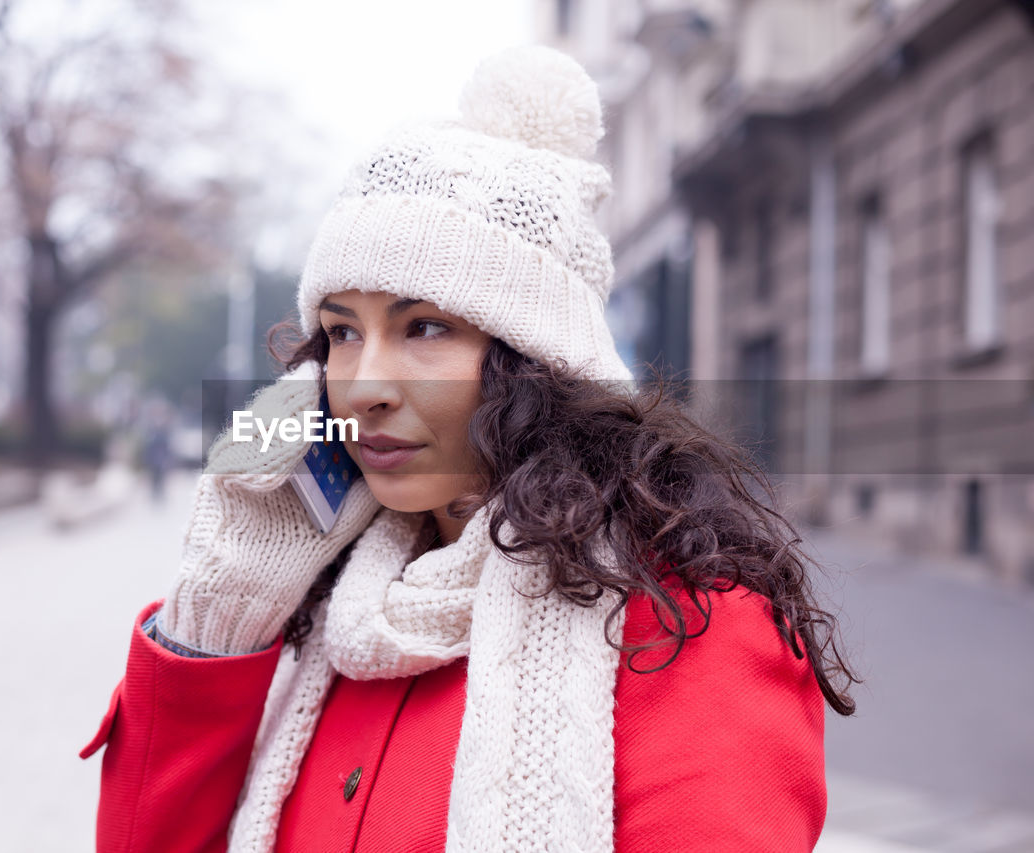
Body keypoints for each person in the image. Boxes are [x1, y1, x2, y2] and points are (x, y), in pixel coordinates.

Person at [79, 45, 859, 852]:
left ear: (537, 363)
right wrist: (227, 598)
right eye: (342, 332)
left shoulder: (688, 626)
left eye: (424, 327)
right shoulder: (327, 605)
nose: (362, 384)